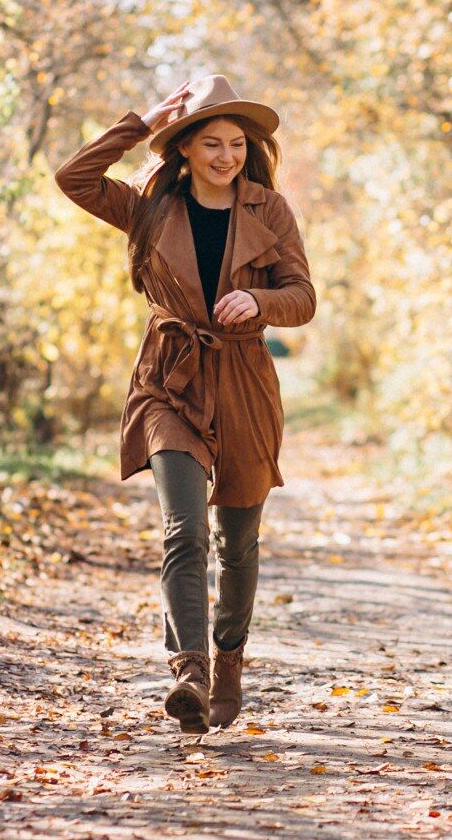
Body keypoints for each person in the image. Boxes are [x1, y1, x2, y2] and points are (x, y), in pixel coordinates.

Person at [53, 74, 316, 733]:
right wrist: (139, 122)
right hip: (169, 381)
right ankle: (189, 671)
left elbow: (304, 297)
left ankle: (229, 660)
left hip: (245, 385)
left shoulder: (271, 211)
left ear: (248, 150)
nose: (225, 155)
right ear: (186, 148)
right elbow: (74, 178)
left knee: (239, 540)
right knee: (184, 529)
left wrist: (260, 301)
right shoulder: (151, 203)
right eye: (210, 142)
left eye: (236, 143)